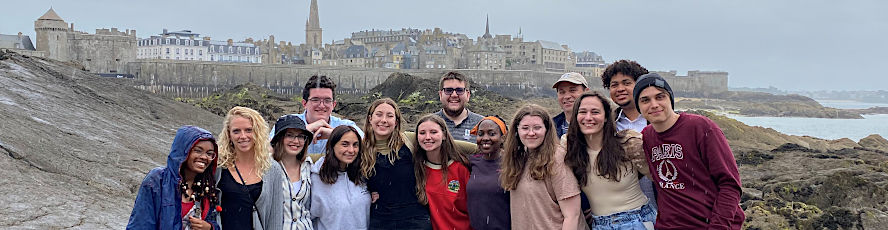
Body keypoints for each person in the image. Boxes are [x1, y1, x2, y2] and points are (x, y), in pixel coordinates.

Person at [634, 73, 745, 229]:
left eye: (660, 97)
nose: (654, 104)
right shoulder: (646, 137)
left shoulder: (701, 127)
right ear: (638, 107)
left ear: (670, 99)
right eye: (645, 100)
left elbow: (730, 185)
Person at [562, 91, 655, 229]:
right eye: (582, 112)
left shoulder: (628, 143)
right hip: (599, 224)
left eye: (595, 112)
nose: (588, 117)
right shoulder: (569, 148)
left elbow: (660, 179)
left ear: (606, 117)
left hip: (637, 220)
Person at [500, 104, 585, 230]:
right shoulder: (518, 158)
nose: (531, 133)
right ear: (517, 130)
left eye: (537, 127)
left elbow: (572, 215)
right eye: (525, 128)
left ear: (547, 130)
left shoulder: (556, 158)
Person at [127, 126, 220, 230]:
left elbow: (215, 221)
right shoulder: (158, 180)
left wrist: (210, 227)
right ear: (183, 150)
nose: (204, 157)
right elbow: (141, 224)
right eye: (198, 151)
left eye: (209, 153)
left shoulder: (208, 187)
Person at [360, 98, 433, 230]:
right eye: (379, 114)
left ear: (396, 122)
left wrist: (480, 145)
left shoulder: (409, 140)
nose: (384, 120)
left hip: (415, 219)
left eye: (389, 116)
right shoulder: (359, 148)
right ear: (370, 118)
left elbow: (447, 145)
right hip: (380, 220)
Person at [600, 60, 658, 214]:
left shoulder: (660, 120)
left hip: (662, 209)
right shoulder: (605, 124)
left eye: (626, 83)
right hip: (621, 214)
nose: (620, 89)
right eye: (614, 85)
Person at [215, 106, 284, 230]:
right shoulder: (219, 165)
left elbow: (275, 217)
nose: (243, 136)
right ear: (229, 134)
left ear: (258, 132)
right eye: (236, 131)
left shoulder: (272, 169)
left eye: (248, 130)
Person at [271, 75, 363, 155]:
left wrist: (336, 135)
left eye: (327, 100)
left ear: (333, 105)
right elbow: (264, 151)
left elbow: (369, 149)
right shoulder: (286, 122)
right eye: (315, 100)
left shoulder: (347, 126)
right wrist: (303, 131)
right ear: (304, 103)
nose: (322, 105)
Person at [413, 115, 472, 230]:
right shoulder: (416, 168)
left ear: (444, 135)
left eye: (434, 132)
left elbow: (474, 208)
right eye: (422, 133)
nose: (428, 137)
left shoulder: (460, 169)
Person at [310, 126, 371, 230]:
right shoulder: (316, 179)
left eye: (355, 145)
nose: (351, 150)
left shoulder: (363, 173)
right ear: (332, 145)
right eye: (345, 144)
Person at [270, 115, 314, 229]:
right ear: (279, 138)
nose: (296, 141)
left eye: (301, 136)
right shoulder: (267, 167)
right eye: (289, 135)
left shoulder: (308, 166)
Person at [466, 116, 511, 230]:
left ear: (503, 138)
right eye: (480, 134)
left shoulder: (512, 163)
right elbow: (452, 148)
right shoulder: (472, 161)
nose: (485, 138)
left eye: (492, 134)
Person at [435, 71, 484, 143]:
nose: (454, 95)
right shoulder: (429, 125)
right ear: (440, 95)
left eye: (459, 90)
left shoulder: (482, 125)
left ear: (468, 95)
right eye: (448, 90)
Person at [552, 72, 591, 137]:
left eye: (572, 90)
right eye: (562, 92)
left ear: (586, 92)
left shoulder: (599, 126)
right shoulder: (549, 127)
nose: (567, 96)